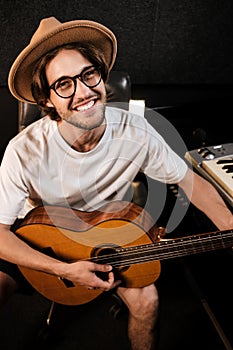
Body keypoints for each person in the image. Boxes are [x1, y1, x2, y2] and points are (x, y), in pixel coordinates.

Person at [0, 16, 232, 350]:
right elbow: (2, 234)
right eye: (64, 84)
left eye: (87, 74)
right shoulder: (23, 151)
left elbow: (188, 179)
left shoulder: (136, 131)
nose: (83, 92)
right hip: (39, 239)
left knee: (148, 302)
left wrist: (230, 226)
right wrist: (63, 269)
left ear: (101, 75)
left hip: (109, 232)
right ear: (46, 100)